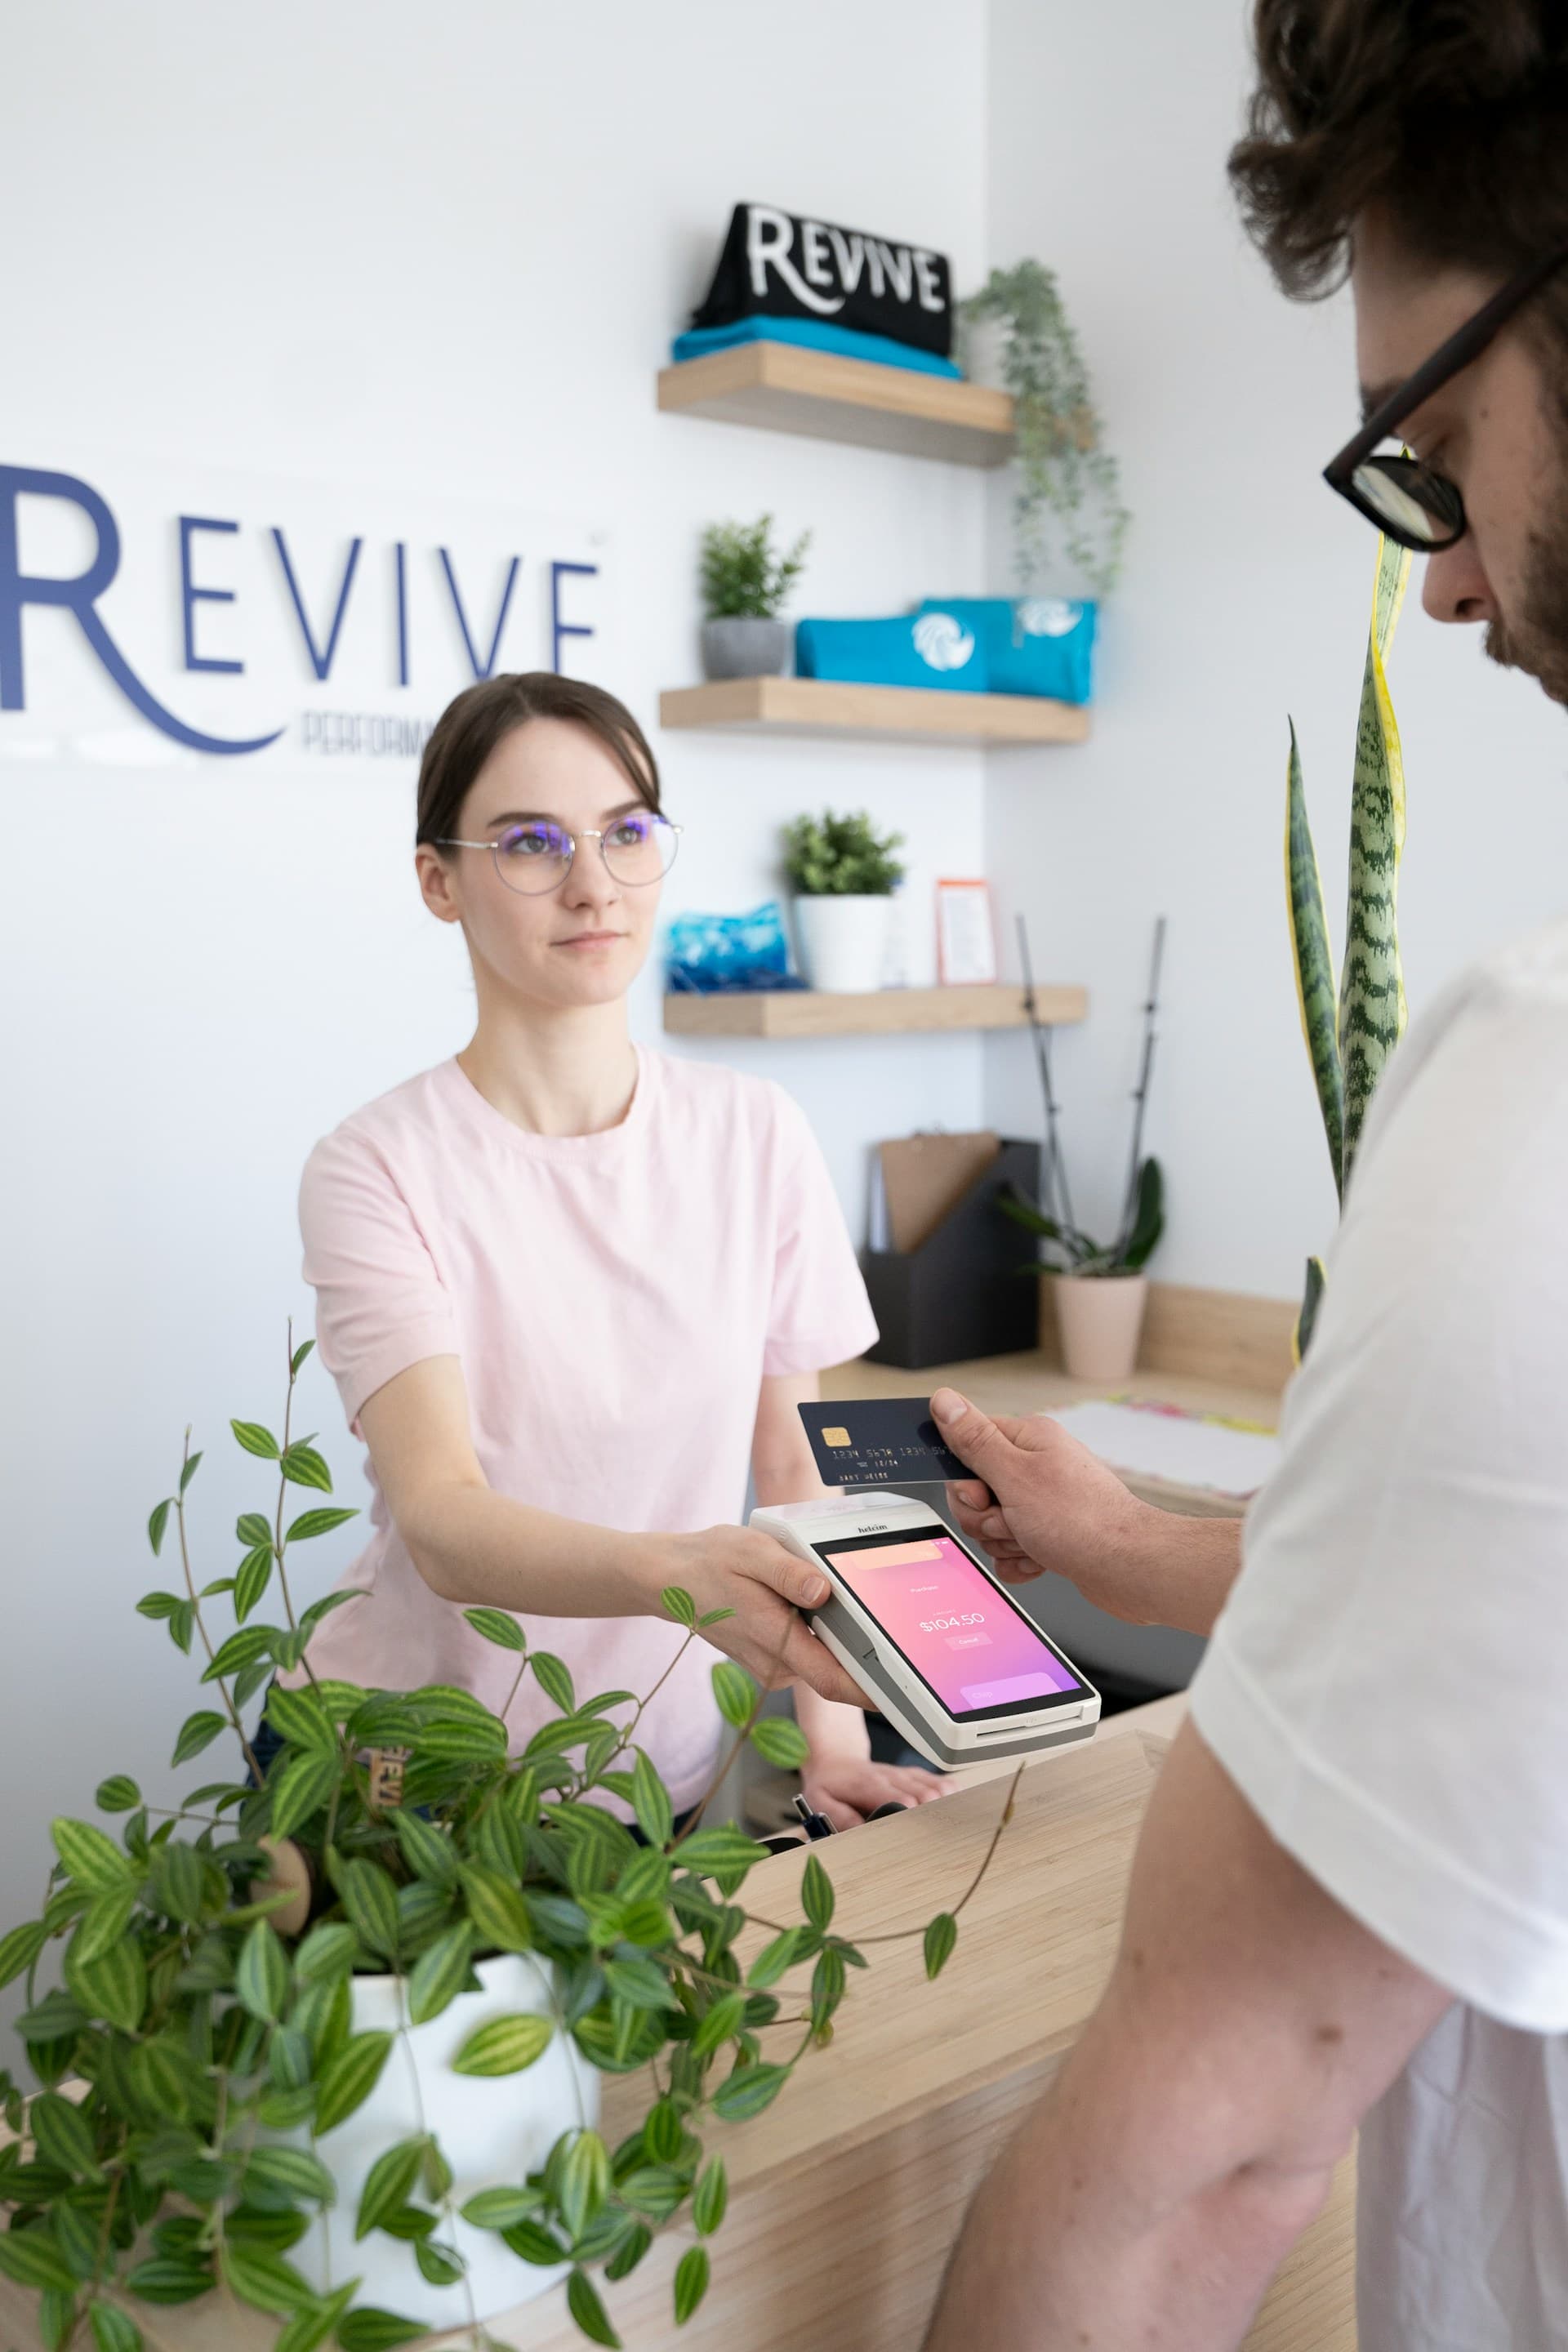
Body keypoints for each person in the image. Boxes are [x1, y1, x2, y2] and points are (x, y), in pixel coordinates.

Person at [922, 7, 1568, 2349]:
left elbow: (1205, 2157)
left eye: (1427, 449)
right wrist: (1138, 1549)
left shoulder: (1546, 1083)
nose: (1451, 581)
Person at [276, 670, 942, 1833]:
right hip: (410, 1775)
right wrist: (677, 1573)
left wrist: (835, 1737)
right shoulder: (376, 1165)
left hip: (648, 1775)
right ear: (440, 880)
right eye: (532, 842)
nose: (593, 885)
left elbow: (794, 1474)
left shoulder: (756, 1133)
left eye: (626, 833)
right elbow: (439, 1518)